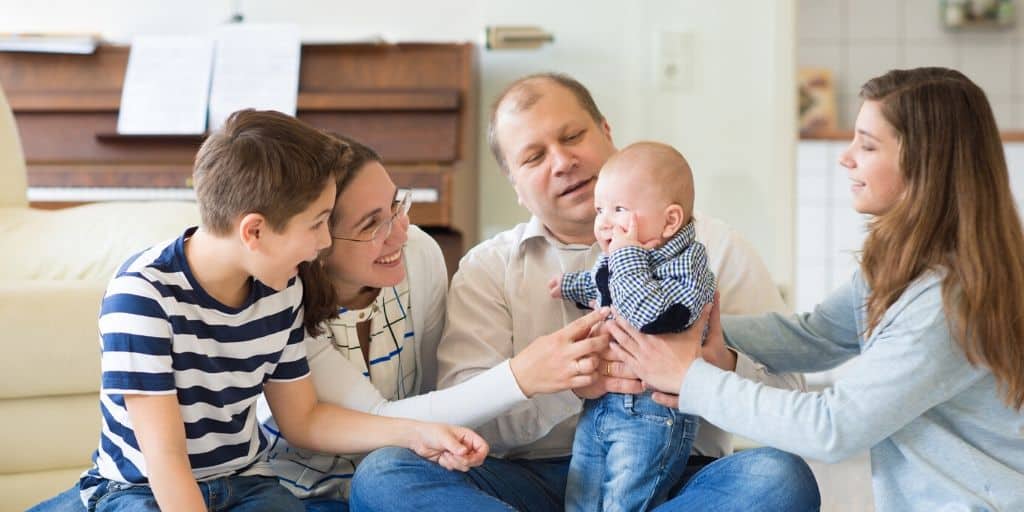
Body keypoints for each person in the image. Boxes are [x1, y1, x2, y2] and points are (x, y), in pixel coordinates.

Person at [349, 73, 818, 511]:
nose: (562, 162)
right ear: (515, 184)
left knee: (779, 479)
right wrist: (564, 386)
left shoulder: (714, 248)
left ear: (606, 132)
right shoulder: (488, 268)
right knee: (385, 475)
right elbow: (462, 422)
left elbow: (790, 400)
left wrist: (717, 371)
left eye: (572, 137)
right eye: (534, 157)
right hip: (532, 483)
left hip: (678, 478)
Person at [29, 111, 488, 512]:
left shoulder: (280, 287)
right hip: (142, 488)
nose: (325, 244)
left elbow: (303, 419)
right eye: (316, 224)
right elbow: (165, 459)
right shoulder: (142, 297)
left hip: (244, 483)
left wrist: (414, 433)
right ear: (254, 232)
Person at [610, 67, 1024, 511]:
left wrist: (691, 378)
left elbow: (833, 428)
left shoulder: (948, 300)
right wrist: (693, 333)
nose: (845, 158)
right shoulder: (903, 263)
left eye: (867, 145)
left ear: (926, 163)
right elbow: (818, 335)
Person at [255, 135, 610, 511]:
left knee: (390, 472)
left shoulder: (418, 253)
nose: (401, 230)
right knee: (383, 477)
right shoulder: (285, 299)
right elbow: (378, 419)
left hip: (412, 467)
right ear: (318, 243)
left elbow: (434, 393)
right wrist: (521, 376)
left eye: (395, 204)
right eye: (371, 225)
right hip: (314, 490)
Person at [552, 142, 715, 511]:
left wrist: (626, 254)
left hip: (653, 414)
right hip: (601, 408)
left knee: (623, 502)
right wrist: (569, 286)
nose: (604, 222)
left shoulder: (687, 264)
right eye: (600, 210)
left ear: (670, 221)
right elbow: (603, 285)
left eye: (619, 209)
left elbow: (649, 313)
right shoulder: (625, 258)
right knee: (580, 498)